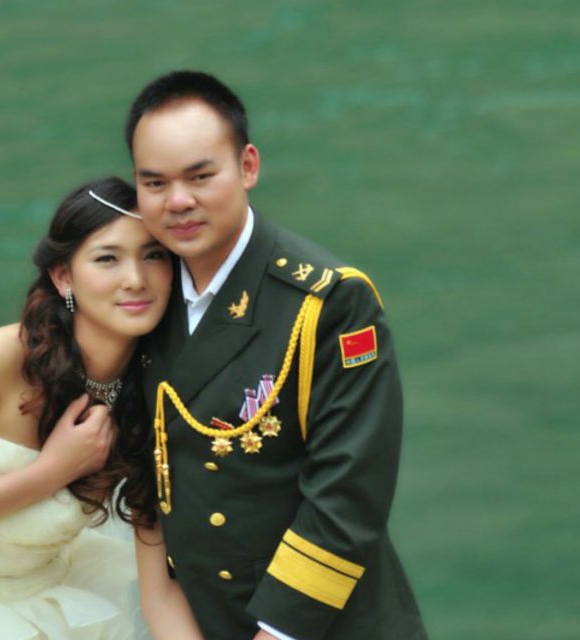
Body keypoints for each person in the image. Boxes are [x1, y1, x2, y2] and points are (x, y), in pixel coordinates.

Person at [126, 71, 429, 640]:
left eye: (200, 176)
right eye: (155, 183)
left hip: (320, 625)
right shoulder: (142, 303)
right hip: (198, 619)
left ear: (248, 167)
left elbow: (348, 494)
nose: (179, 201)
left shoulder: (329, 301)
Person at [0, 177, 202, 639]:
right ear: (63, 276)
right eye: (107, 258)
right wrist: (49, 473)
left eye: (154, 255)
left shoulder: (156, 394)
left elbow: (158, 597)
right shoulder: (2, 358)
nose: (136, 279)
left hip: (47, 611)